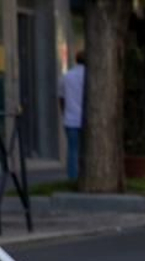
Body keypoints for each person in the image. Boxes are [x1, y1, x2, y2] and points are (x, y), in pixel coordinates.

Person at [58, 50, 86, 182]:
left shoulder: (66, 77)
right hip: (86, 120)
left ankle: (72, 178)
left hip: (71, 119)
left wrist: (64, 112)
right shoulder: (91, 76)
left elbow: (61, 99)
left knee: (73, 150)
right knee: (86, 151)